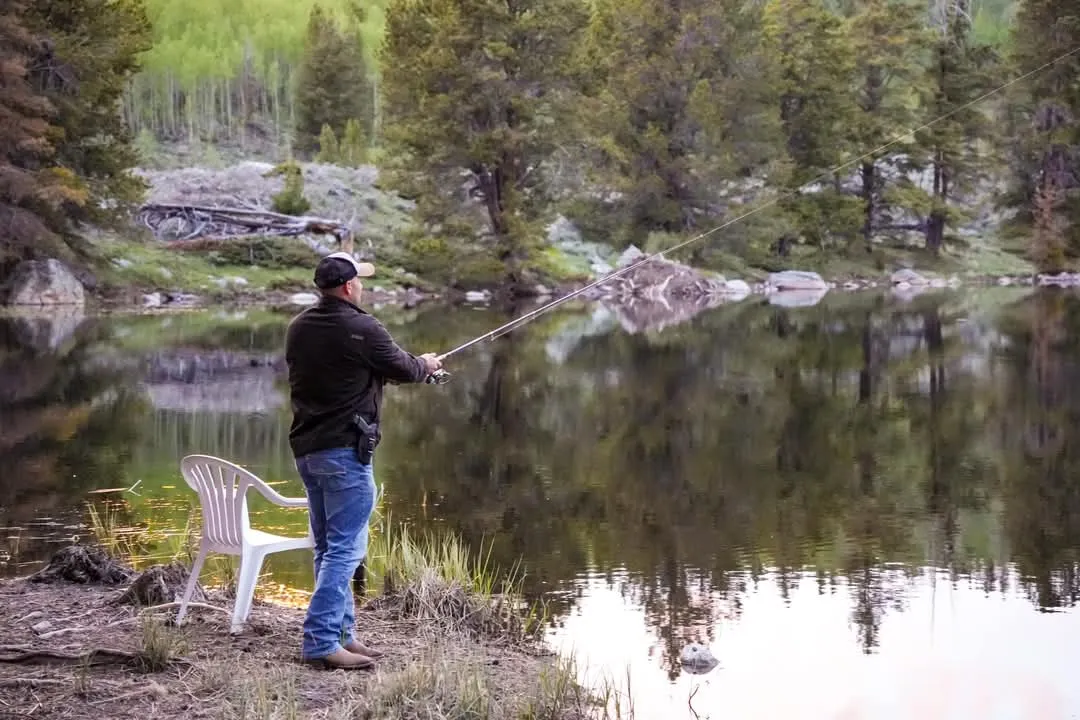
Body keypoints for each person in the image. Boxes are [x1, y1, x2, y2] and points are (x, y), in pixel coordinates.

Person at [285, 251, 441, 669]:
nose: (363, 287)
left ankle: (342, 635)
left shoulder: (299, 327)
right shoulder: (363, 327)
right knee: (344, 550)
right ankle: (320, 642)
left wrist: (393, 371)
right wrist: (426, 364)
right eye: (361, 281)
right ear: (349, 286)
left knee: (328, 548)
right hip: (344, 453)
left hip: (308, 451)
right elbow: (406, 368)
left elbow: (343, 371)